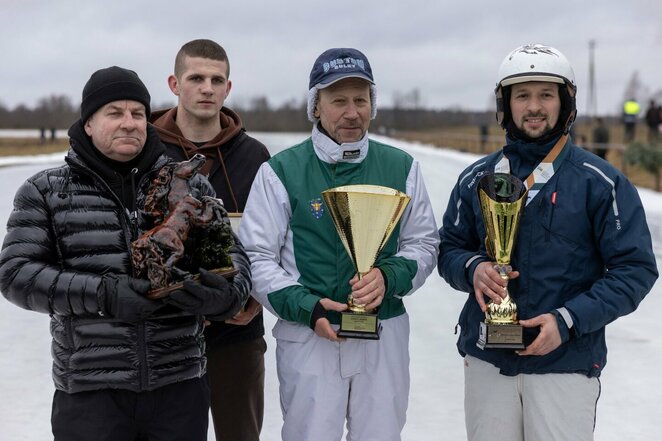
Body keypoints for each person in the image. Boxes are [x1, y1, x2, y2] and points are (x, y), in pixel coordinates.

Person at [0, 66, 252, 441]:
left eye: (137, 113)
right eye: (114, 113)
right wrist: (103, 295)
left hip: (179, 387)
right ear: (88, 123)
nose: (129, 123)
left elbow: (236, 258)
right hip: (90, 393)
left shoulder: (187, 182)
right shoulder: (46, 191)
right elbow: (16, 275)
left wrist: (226, 296)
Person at [438, 43, 658, 441]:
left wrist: (567, 321)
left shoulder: (601, 182)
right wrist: (473, 269)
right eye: (522, 95)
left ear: (565, 102)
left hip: (566, 364)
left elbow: (635, 270)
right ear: (506, 104)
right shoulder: (476, 178)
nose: (534, 106)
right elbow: (449, 248)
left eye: (546, 94)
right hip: (488, 361)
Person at [239, 47, 439, 441]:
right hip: (309, 334)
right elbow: (256, 257)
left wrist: (388, 276)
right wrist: (307, 307)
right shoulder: (281, 171)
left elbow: (424, 243)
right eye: (338, 100)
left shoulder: (402, 167)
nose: (352, 112)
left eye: (361, 100)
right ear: (316, 106)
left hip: (383, 332)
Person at [150, 39, 270, 441]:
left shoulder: (254, 155)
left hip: (237, 331)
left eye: (216, 79)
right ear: (174, 83)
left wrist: (255, 299)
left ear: (228, 88)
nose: (207, 88)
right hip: (164, 332)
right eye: (196, 78)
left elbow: (272, 239)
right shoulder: (146, 152)